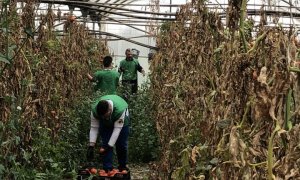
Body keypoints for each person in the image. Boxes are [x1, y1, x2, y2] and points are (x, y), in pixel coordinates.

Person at [86, 95, 130, 175]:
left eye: (104, 115)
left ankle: (122, 166)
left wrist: (109, 146)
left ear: (109, 111)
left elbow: (117, 130)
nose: (103, 117)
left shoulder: (120, 110)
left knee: (121, 144)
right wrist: (91, 145)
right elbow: (94, 128)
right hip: (106, 124)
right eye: (101, 116)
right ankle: (107, 169)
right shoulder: (95, 111)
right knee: (105, 142)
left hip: (122, 123)